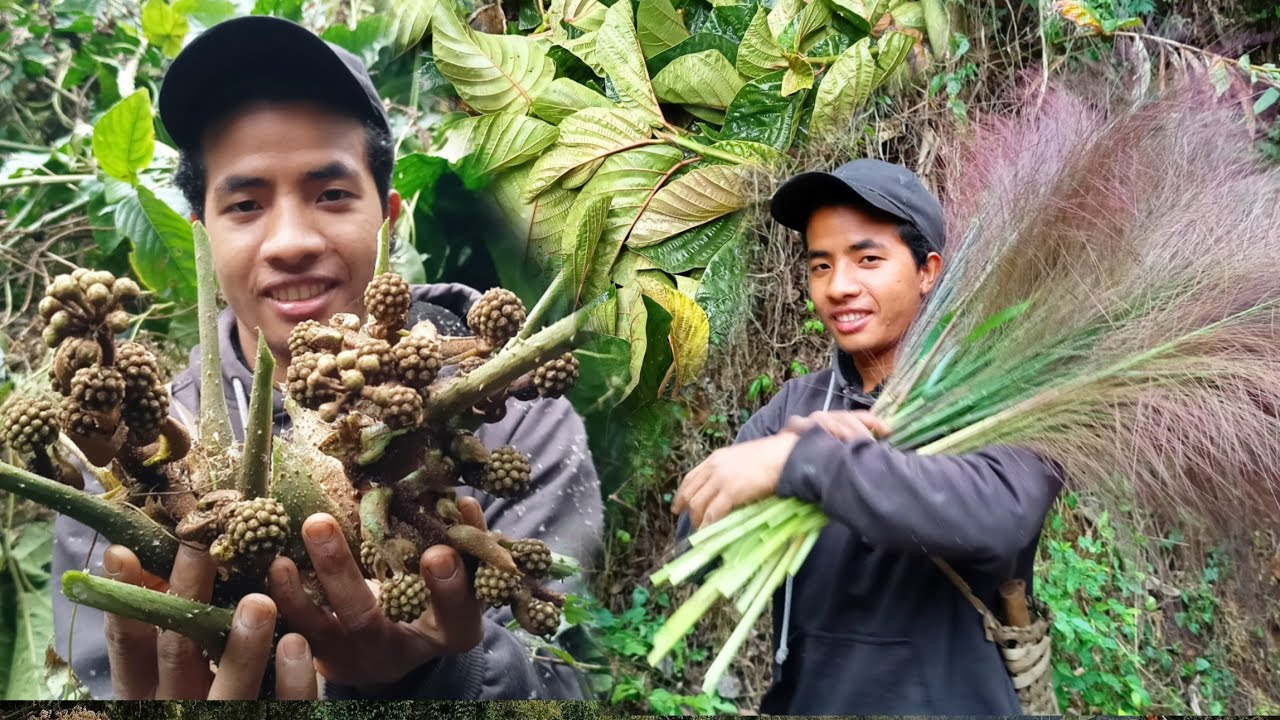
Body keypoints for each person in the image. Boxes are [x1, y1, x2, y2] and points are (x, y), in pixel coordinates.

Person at [51, 16, 603, 701]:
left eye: (332, 194)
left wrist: (432, 674)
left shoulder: (515, 413)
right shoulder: (124, 453)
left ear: (389, 218)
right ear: (203, 238)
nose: (290, 241)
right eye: (247, 203)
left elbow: (564, 674)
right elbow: (98, 679)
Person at [671, 159, 1062, 714]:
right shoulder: (796, 408)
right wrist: (790, 456)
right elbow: (696, 539)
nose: (839, 287)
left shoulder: (1002, 399)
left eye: (868, 259)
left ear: (928, 271)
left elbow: (998, 519)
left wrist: (808, 463)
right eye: (821, 266)